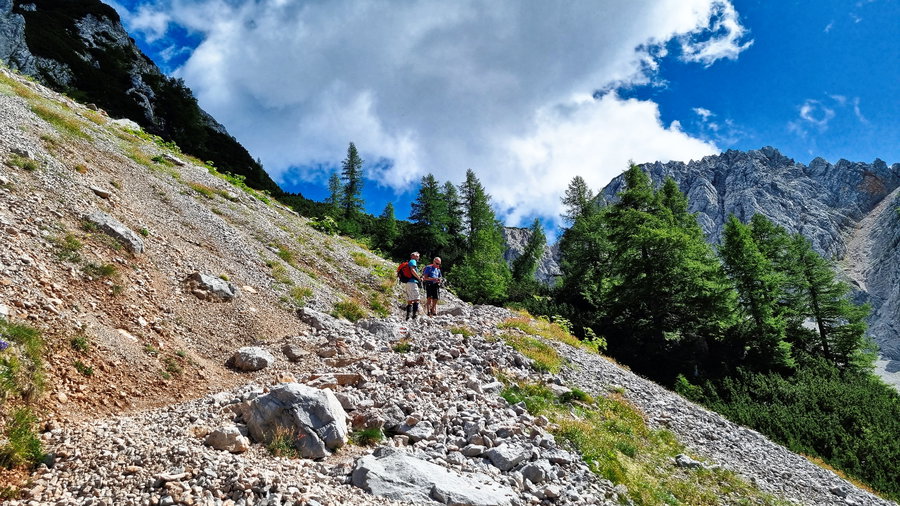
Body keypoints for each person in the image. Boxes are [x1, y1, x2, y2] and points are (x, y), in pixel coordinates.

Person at [403, 252, 423, 320]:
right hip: (413, 283)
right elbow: (412, 270)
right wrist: (419, 278)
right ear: (414, 256)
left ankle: (408, 316)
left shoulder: (410, 261)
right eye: (418, 256)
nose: (418, 257)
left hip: (408, 282)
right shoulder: (413, 261)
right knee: (416, 299)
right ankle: (414, 315)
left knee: (410, 299)